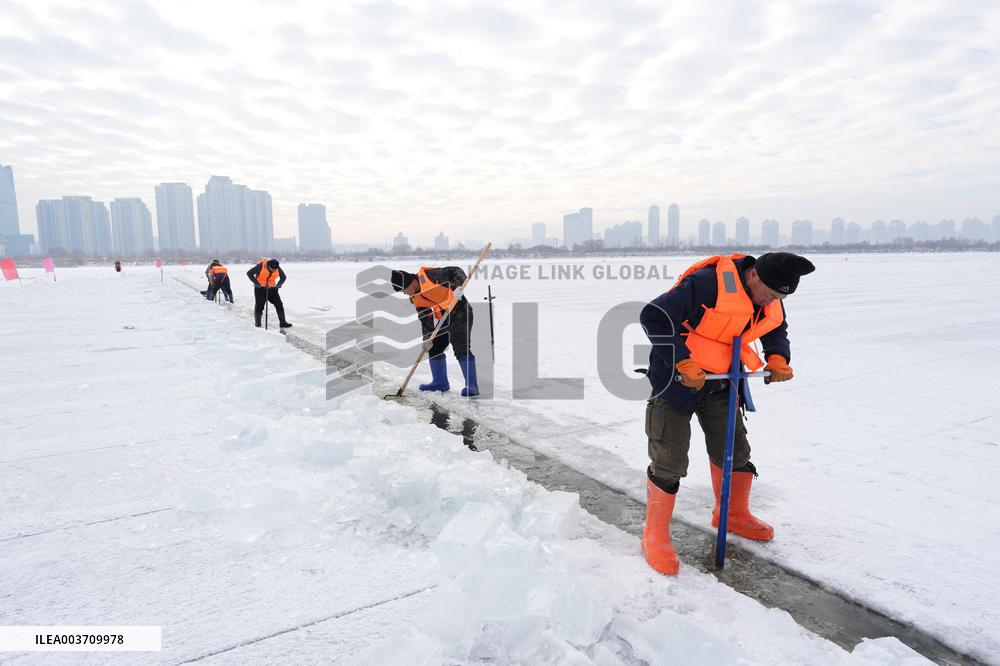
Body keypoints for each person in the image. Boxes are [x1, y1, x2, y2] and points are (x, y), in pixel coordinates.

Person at [638, 252, 815, 575]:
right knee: (670, 459)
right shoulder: (707, 283)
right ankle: (655, 535)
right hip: (677, 380)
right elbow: (654, 316)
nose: (772, 301)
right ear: (754, 276)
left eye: (780, 297)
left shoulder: (770, 295)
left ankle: (732, 514)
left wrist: (777, 356)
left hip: (723, 381)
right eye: (771, 294)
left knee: (734, 450)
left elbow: (775, 328)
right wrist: (682, 360)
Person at [391, 266, 478, 396]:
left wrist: (457, 287)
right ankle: (440, 383)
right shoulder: (415, 298)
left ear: (410, 282)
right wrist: (427, 339)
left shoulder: (430, 275)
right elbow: (425, 318)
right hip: (445, 320)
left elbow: (456, 271)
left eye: (403, 289)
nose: (404, 293)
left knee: (461, 348)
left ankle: (472, 386)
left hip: (460, 314)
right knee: (434, 348)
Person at [247, 259, 291, 329]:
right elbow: (249, 273)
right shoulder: (261, 266)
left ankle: (283, 322)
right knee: (259, 306)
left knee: (279, 304)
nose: (273, 270)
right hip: (260, 288)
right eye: (272, 268)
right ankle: (258, 324)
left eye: (275, 269)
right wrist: (256, 283)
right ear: (268, 265)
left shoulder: (277, 267)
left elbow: (283, 277)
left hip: (272, 289)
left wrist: (279, 284)